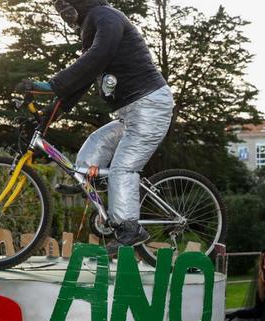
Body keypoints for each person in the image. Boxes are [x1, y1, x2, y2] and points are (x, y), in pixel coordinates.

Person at [22, 0, 174, 252]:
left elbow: (98, 56)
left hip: (149, 106)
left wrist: (52, 84)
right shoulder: (94, 25)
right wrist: (47, 118)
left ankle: (129, 228)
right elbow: (80, 81)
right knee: (97, 140)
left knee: (122, 169)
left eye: (65, 7)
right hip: (132, 112)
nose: (63, 14)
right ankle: (84, 178)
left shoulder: (107, 16)